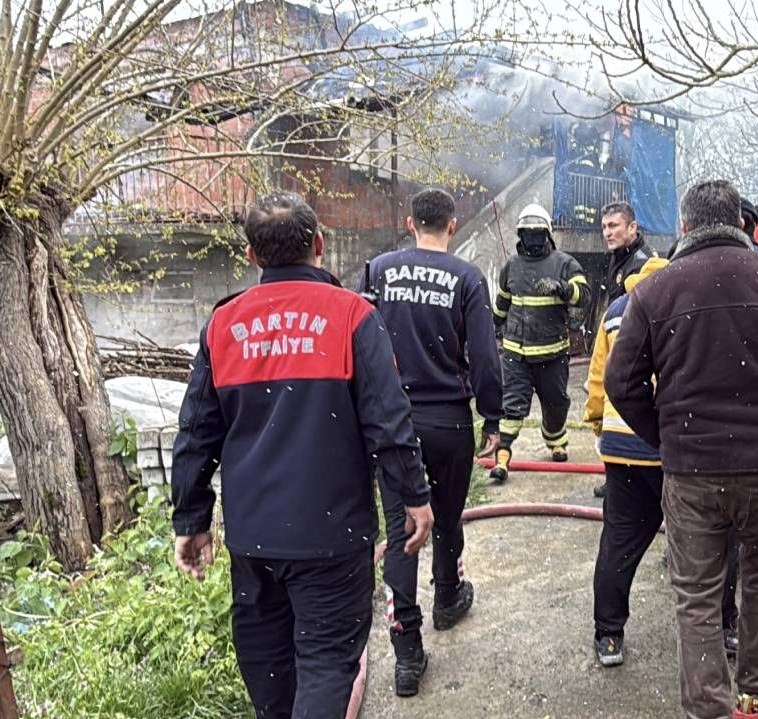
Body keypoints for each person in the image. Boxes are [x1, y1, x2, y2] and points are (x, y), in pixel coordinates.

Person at [171, 192, 433, 719]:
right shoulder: (352, 316)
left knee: (269, 671)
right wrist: (414, 497)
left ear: (251, 254)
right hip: (332, 538)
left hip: (253, 540)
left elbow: (196, 430)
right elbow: (389, 419)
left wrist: (191, 518)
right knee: (327, 665)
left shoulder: (223, 324)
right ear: (319, 244)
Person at [606, 180, 758, 719]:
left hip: (692, 471)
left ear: (685, 227)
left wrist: (668, 437)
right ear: (738, 221)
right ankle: (757, 698)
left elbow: (622, 384)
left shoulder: (654, 291)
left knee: (695, 592)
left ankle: (707, 710)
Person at [360, 188, 504, 697]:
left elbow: (360, 342)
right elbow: (484, 356)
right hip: (447, 421)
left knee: (401, 530)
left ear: (409, 222)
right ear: (453, 224)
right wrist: (494, 418)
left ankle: (407, 650)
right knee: (445, 512)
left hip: (392, 425)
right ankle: (447, 596)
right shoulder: (466, 277)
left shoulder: (378, 270)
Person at [584, 255, 670, 667]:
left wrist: (599, 425)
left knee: (619, 541)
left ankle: (609, 635)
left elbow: (599, 377)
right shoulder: (683, 300)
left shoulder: (617, 311)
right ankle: (725, 624)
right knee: (715, 539)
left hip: (623, 447)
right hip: (677, 446)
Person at [489, 203, 591, 483]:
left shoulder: (565, 264)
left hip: (552, 356)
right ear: (520, 235)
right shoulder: (511, 266)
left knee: (556, 404)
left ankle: (556, 440)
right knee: (512, 407)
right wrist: (487, 331)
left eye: (538, 233)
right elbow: (501, 305)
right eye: (527, 233)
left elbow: (584, 295)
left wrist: (564, 289)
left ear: (547, 234)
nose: (533, 239)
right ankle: (503, 456)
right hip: (516, 356)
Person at [592, 201, 659, 499]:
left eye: (614, 226)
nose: (607, 232)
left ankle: (627, 476)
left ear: (632, 227)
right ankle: (617, 474)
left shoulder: (643, 263)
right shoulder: (619, 258)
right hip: (618, 348)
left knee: (626, 409)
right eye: (605, 226)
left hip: (633, 355)